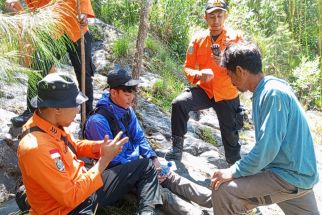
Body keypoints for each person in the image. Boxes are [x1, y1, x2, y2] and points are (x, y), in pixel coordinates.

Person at [17, 72, 162, 215]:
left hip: (85, 184)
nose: (78, 109)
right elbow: (71, 197)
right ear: (57, 109)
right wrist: (104, 160)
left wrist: (100, 147)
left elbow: (74, 146)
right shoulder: (36, 148)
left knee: (145, 166)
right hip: (69, 208)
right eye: (75, 104)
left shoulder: (50, 124)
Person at [210, 42, 320, 214]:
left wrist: (234, 170)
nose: (231, 81)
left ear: (240, 70)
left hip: (288, 175)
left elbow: (267, 148)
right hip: (299, 173)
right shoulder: (267, 90)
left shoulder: (273, 94)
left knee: (224, 191)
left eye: (230, 75)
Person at [85, 69, 213, 215]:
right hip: (117, 172)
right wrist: (144, 170)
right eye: (127, 94)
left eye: (133, 93)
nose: (131, 98)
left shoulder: (127, 111)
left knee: (169, 176)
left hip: (137, 164)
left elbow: (139, 138)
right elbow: (111, 160)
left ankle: (215, 200)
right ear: (113, 93)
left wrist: (153, 160)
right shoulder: (98, 122)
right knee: (158, 191)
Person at [166, 0, 243, 163]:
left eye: (220, 16)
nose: (216, 21)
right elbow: (187, 68)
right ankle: (176, 149)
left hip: (227, 93)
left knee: (230, 134)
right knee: (179, 103)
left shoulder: (235, 39)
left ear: (225, 16)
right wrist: (199, 74)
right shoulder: (198, 39)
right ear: (205, 18)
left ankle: (234, 165)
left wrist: (223, 61)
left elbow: (242, 68)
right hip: (205, 90)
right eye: (212, 16)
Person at [7, 0, 96, 127]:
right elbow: (34, 8)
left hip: (76, 27)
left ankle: (88, 114)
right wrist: (16, 6)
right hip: (53, 30)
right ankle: (31, 111)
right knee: (39, 66)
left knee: (84, 73)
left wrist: (84, 14)